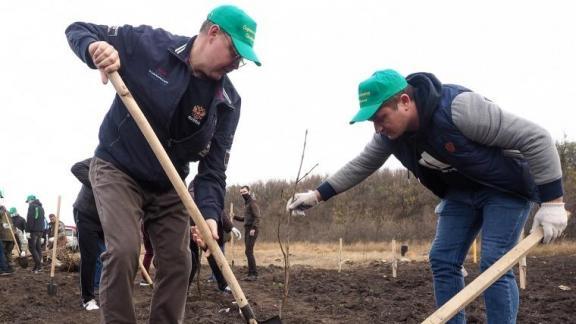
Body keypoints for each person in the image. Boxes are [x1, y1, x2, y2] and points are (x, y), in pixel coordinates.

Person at [287, 69, 568, 324]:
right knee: (442, 259)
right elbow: (362, 164)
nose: (377, 128)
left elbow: (537, 138)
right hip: (460, 192)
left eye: (381, 117)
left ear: (405, 102)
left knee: (494, 263)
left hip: (505, 188)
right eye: (372, 121)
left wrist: (553, 202)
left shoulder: (459, 109)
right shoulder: (389, 137)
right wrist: (317, 195)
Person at [65, 4, 261, 322]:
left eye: (242, 59)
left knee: (178, 262)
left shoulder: (227, 101)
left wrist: (210, 216)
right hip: (118, 168)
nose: (237, 64)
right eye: (235, 52)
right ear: (213, 33)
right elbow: (78, 28)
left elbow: (213, 170)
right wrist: (95, 48)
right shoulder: (151, 47)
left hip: (169, 183)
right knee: (125, 250)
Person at [71, 158, 105, 311]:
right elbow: (77, 167)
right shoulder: (106, 157)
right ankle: (88, 298)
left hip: (107, 219)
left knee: (109, 254)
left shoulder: (133, 167)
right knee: (90, 256)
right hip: (87, 214)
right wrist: (100, 186)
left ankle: (105, 289)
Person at [233, 185, 261, 281]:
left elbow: (257, 217)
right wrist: (234, 217)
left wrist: (253, 228)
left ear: (249, 191)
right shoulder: (247, 204)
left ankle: (254, 274)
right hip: (247, 229)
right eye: (241, 192)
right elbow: (246, 219)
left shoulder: (252, 203)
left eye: (244, 192)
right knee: (248, 251)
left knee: (249, 251)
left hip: (252, 229)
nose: (243, 194)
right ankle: (250, 273)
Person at [25, 195, 46, 273]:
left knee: (32, 248)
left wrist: (27, 231)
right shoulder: (41, 208)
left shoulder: (32, 206)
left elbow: (30, 219)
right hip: (40, 231)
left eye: (28, 201)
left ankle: (39, 267)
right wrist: (43, 233)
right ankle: (37, 267)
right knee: (38, 248)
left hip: (33, 231)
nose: (28, 203)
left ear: (31, 200)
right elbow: (43, 220)